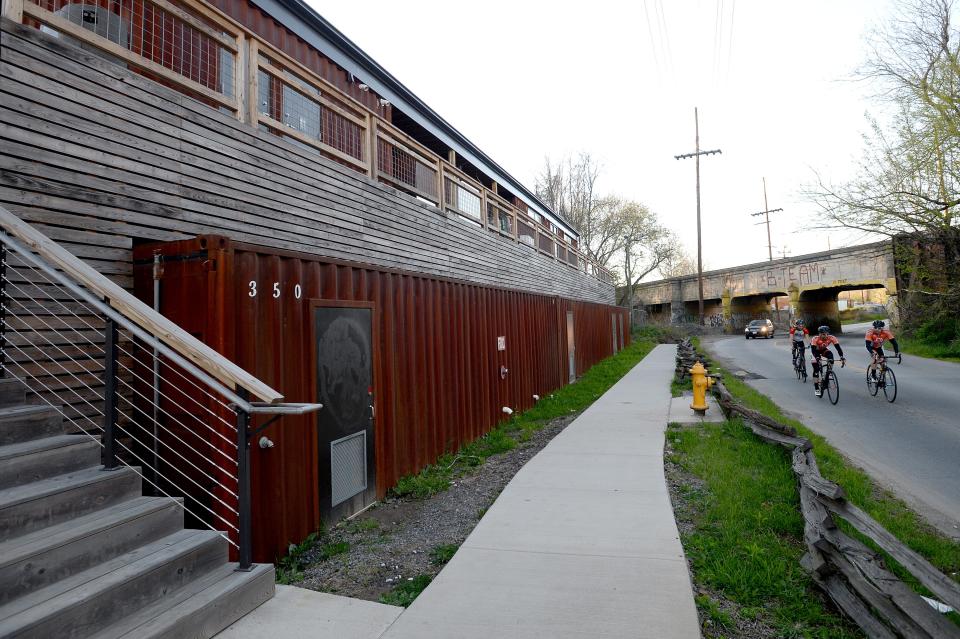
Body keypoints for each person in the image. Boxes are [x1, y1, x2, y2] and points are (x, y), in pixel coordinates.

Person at [810, 325, 845, 397]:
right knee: (816, 369)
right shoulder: (815, 339)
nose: (825, 335)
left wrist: (841, 357)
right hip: (815, 352)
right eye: (823, 334)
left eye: (826, 334)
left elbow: (838, 348)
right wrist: (817, 358)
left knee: (831, 356)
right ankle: (816, 388)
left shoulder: (832, 337)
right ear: (819, 334)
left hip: (823, 350)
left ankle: (829, 372)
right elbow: (813, 350)